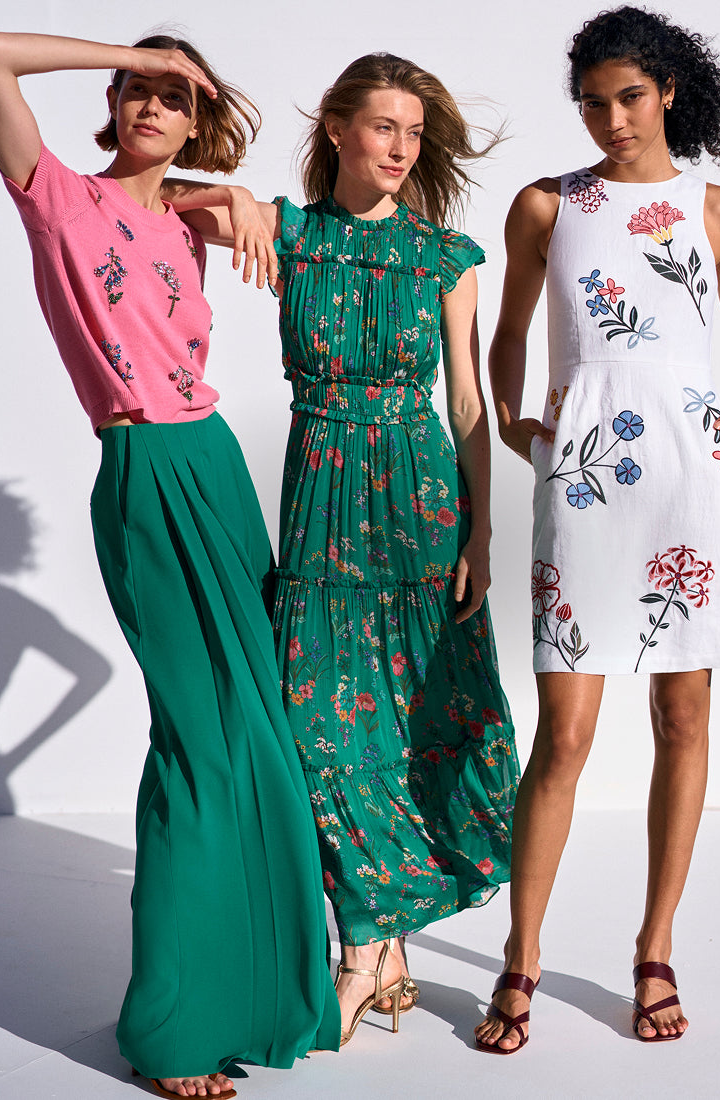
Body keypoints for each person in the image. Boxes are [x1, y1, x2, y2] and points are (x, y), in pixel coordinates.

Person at [0, 31, 339, 1099]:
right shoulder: (55, 197)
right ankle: (171, 1025)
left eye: (171, 98)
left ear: (195, 121)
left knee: (260, 730)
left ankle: (266, 995)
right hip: (141, 467)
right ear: (115, 96)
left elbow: (246, 208)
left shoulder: (187, 214)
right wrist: (140, 52)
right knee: (195, 740)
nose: (146, 105)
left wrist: (242, 200)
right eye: (135, 88)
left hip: (217, 467)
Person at [169, 51, 520, 1047]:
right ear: (335, 128)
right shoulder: (294, 234)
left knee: (412, 718)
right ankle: (377, 941)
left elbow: (463, 404)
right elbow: (158, 195)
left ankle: (366, 950)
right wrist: (228, 194)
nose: (403, 147)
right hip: (322, 497)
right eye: (383, 127)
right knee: (310, 721)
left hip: (418, 504)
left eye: (414, 132)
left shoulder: (445, 256)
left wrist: (481, 531)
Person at [474, 5, 720, 1053]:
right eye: (592, 102)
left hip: (689, 474)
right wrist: (515, 425)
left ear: (667, 94)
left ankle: (653, 946)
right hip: (586, 470)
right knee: (563, 731)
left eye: (627, 98)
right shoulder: (546, 207)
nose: (608, 118)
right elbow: (504, 335)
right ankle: (522, 951)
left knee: (681, 719)